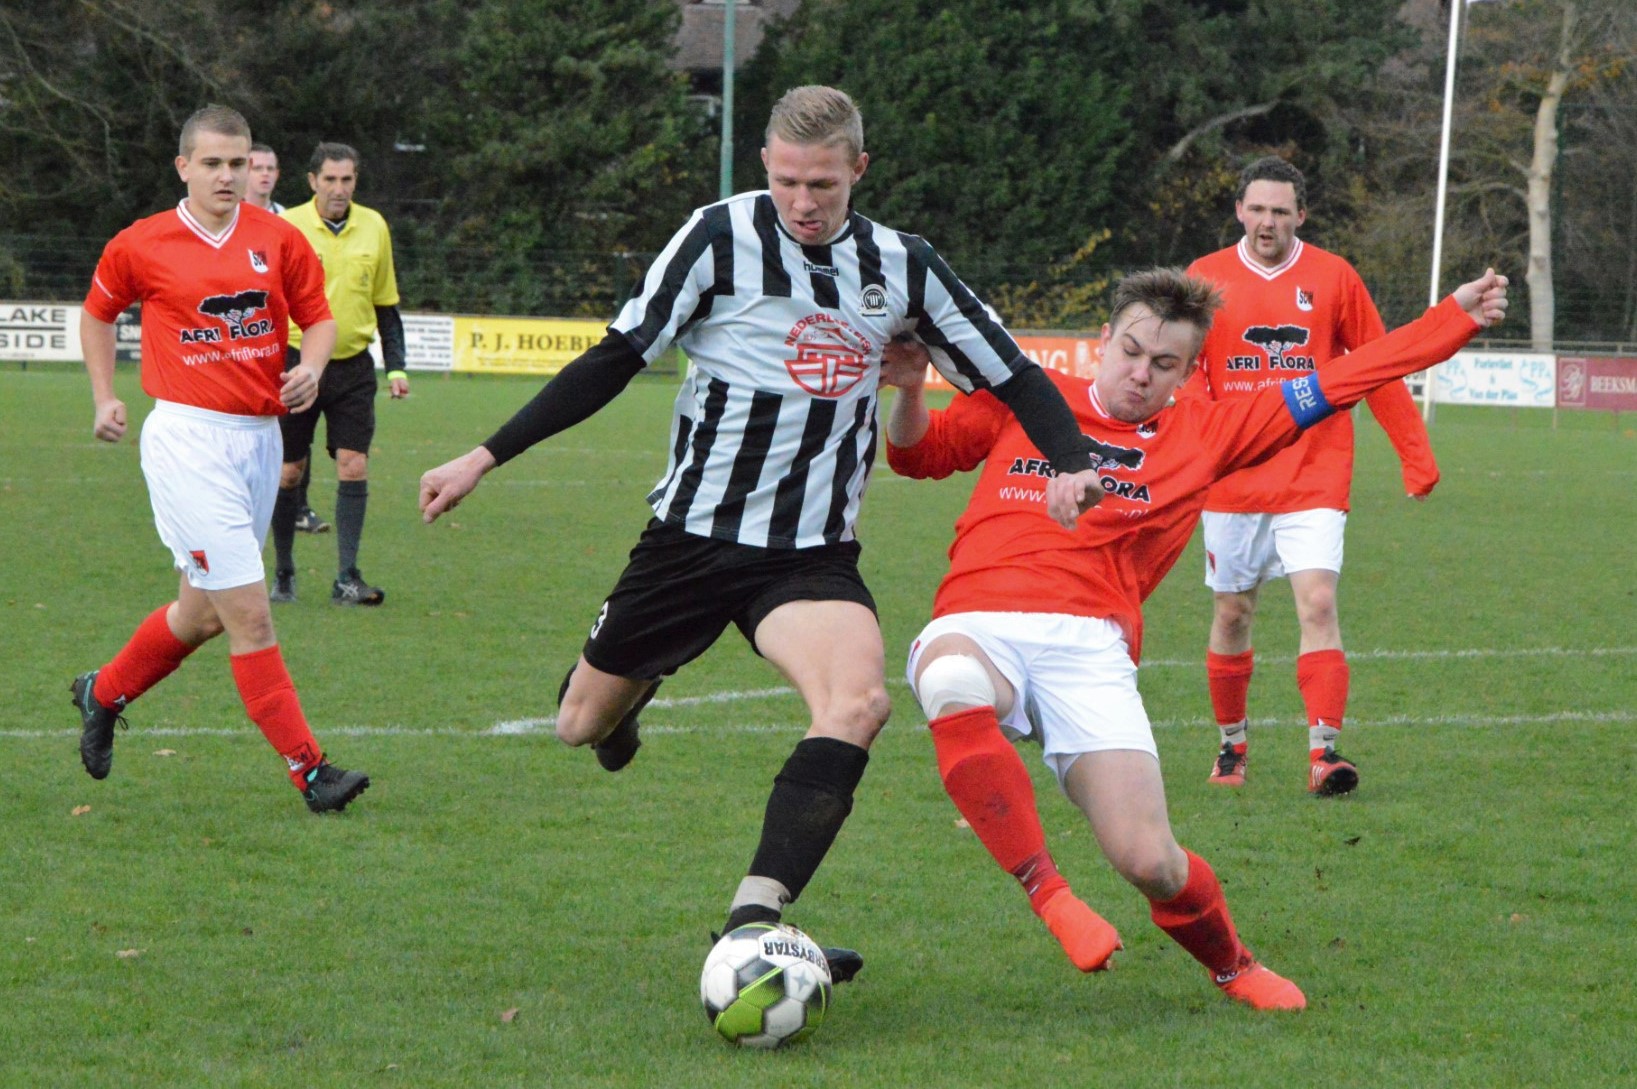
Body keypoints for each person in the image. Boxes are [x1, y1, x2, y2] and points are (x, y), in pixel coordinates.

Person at [417, 85, 1106, 976]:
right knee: (579, 725)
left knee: (857, 705)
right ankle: (634, 691)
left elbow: (1011, 374)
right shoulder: (714, 237)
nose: (803, 203)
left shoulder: (904, 265)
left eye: (822, 183)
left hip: (810, 554)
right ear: (765, 170)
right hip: (690, 539)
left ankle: (755, 917)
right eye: (786, 181)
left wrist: (1071, 457)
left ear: (858, 170)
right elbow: (618, 356)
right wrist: (484, 455)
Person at [882, 266, 1505, 1009]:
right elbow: (917, 457)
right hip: (981, 618)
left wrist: (1451, 318)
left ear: (1188, 370)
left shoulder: (1206, 435)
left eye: (1165, 364)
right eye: (1132, 352)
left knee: (1151, 860)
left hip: (1091, 646)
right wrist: (913, 391)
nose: (1141, 374)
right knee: (950, 680)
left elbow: (1345, 377)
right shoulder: (1029, 393)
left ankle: (1234, 964)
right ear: (1103, 340)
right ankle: (1050, 895)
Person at [72, 104, 370, 813]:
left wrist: (315, 367)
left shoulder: (278, 238)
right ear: (184, 167)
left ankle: (102, 690)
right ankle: (312, 771)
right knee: (250, 615)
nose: (227, 175)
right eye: (212, 163)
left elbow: (320, 318)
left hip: (259, 440)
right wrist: (104, 395)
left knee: (200, 613)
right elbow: (96, 312)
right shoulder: (142, 243)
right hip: (187, 439)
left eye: (238, 163)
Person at [1183, 157, 1440, 795]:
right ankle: (1231, 748)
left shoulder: (1333, 278)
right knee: (1234, 611)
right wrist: (1196, 450)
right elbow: (1187, 373)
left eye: (1281, 210)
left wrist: (1415, 454)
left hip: (1314, 472)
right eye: (1257, 209)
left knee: (1319, 603)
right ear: (1239, 210)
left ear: (1302, 214)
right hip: (1234, 478)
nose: (1267, 221)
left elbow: (1379, 364)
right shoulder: (1204, 279)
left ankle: (1324, 754)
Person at [269, 142, 409, 606]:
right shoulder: (285, 225)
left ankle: (347, 576)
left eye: (346, 180)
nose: (338, 189)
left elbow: (386, 302)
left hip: (353, 367)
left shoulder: (374, 226)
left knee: (354, 464)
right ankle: (284, 571)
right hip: (296, 363)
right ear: (312, 181)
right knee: (289, 471)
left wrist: (398, 367)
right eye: (329, 179)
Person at [247, 141, 330, 535]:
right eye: (256, 166)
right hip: (246, 346)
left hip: (286, 344)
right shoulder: (221, 217)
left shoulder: (288, 223)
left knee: (296, 434)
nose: (264, 174)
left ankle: (298, 505)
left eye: (271, 167)